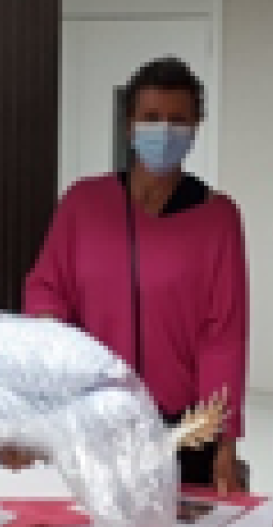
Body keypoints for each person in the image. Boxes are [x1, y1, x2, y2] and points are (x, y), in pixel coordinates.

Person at [25, 56, 249, 493]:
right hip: (94, 413)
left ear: (196, 127)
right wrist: (47, 339)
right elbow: (46, 287)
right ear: (129, 126)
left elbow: (223, 334)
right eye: (150, 118)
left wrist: (224, 443)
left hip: (183, 424)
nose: (164, 130)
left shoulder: (217, 216)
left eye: (178, 119)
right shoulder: (83, 204)